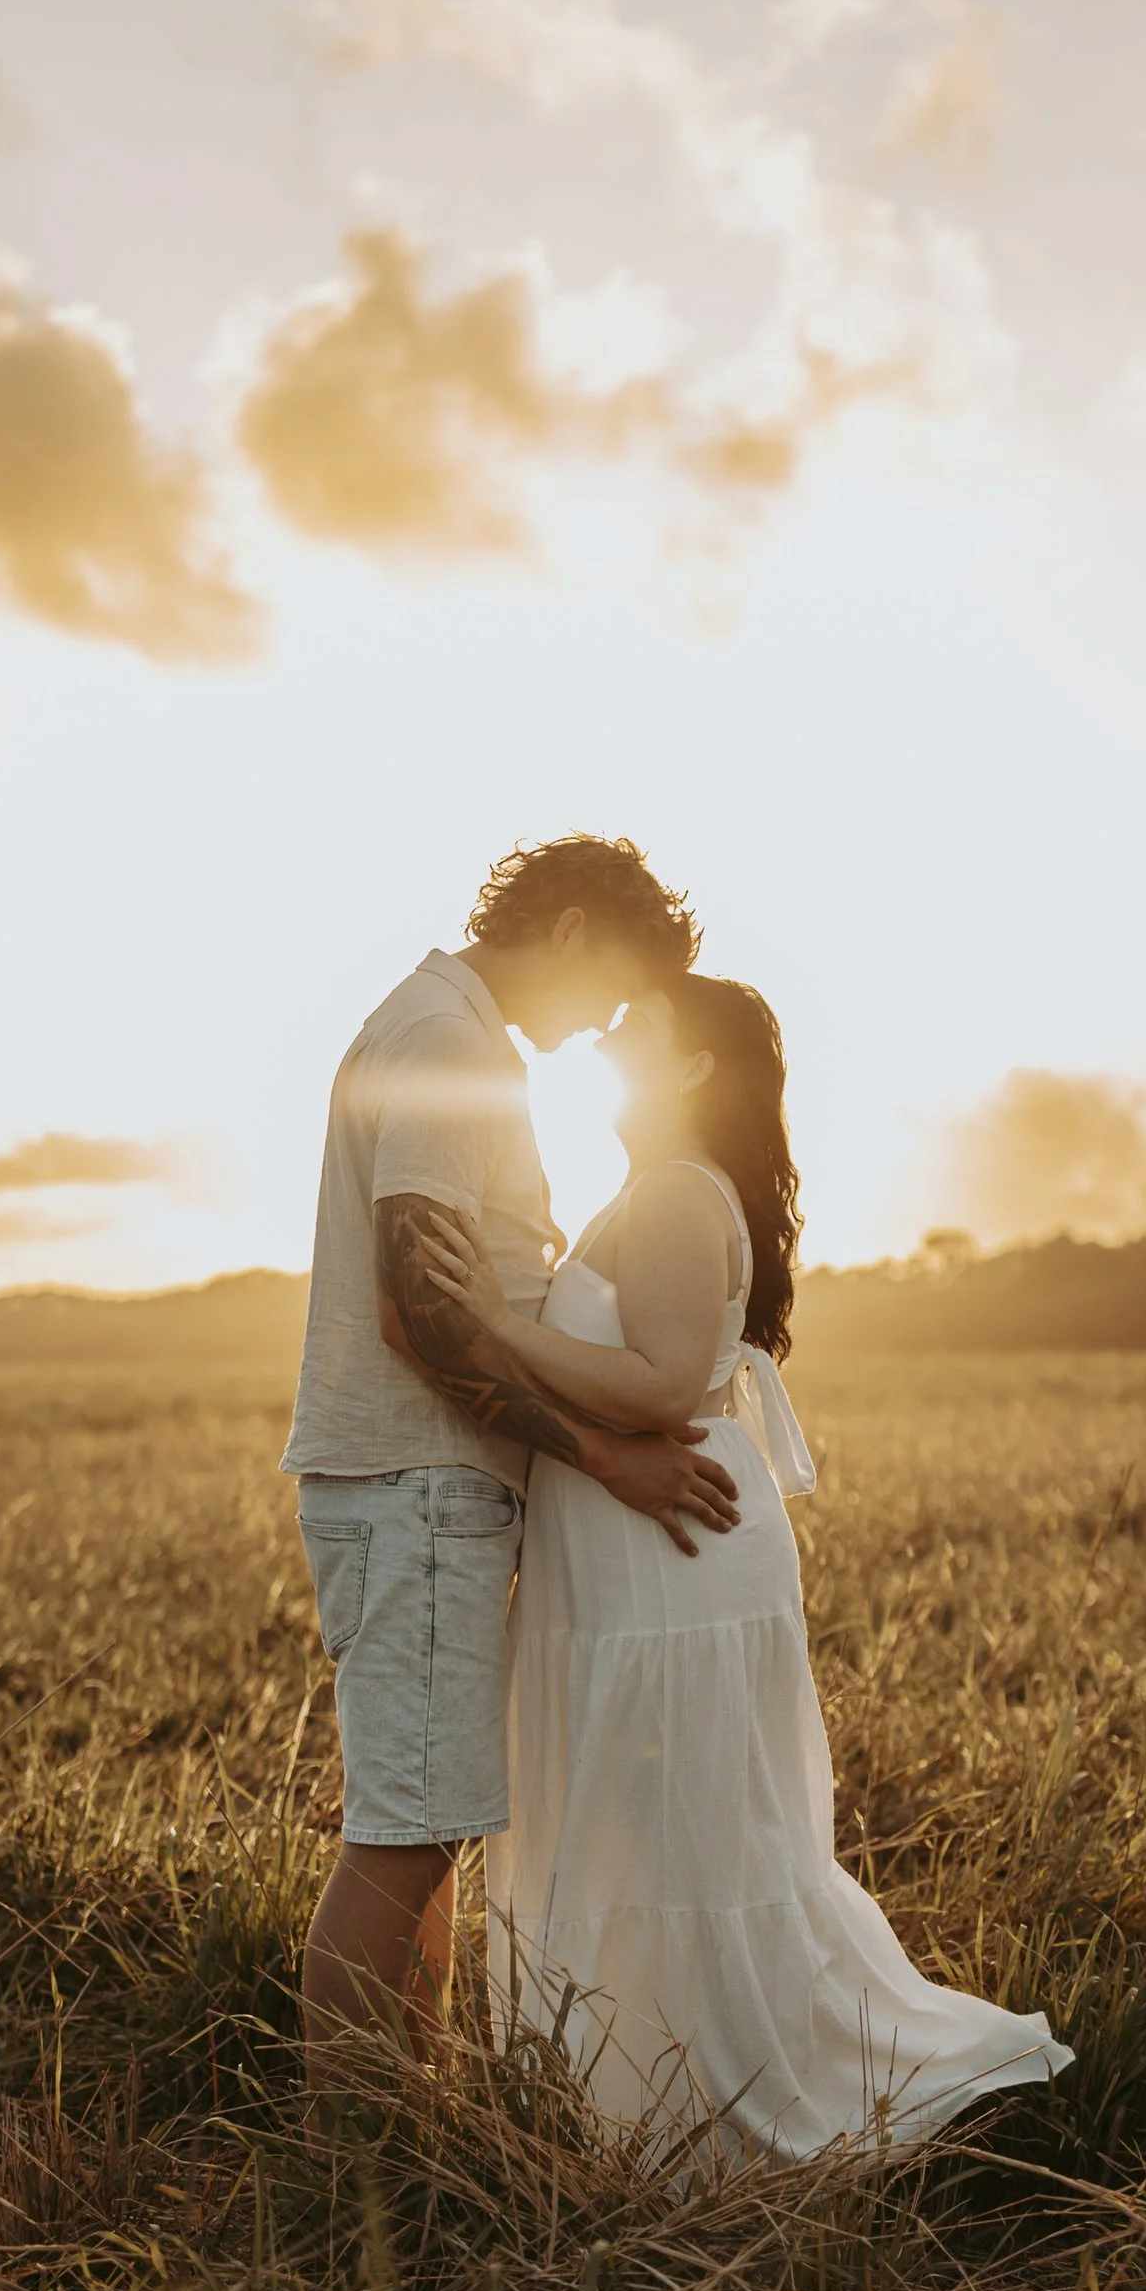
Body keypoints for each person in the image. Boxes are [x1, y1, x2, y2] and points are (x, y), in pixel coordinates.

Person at [412, 971, 1072, 2161]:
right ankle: (631, 2103)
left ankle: (697, 2112)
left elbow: (665, 1384)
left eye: (633, 1026)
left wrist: (498, 1325)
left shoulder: (670, 1192)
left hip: (664, 1556)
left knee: (671, 1824)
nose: (606, 1034)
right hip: (638, 1554)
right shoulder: (653, 1188)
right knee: (647, 1817)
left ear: (691, 1068)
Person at [283, 834, 741, 2081]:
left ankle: (407, 2113)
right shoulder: (446, 1045)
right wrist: (604, 1451)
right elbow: (420, 1308)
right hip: (416, 1485)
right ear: (574, 925)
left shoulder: (449, 1033)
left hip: (425, 1489)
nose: (598, 1022)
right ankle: (354, 2161)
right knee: (403, 1838)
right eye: (610, 985)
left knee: (425, 1831)